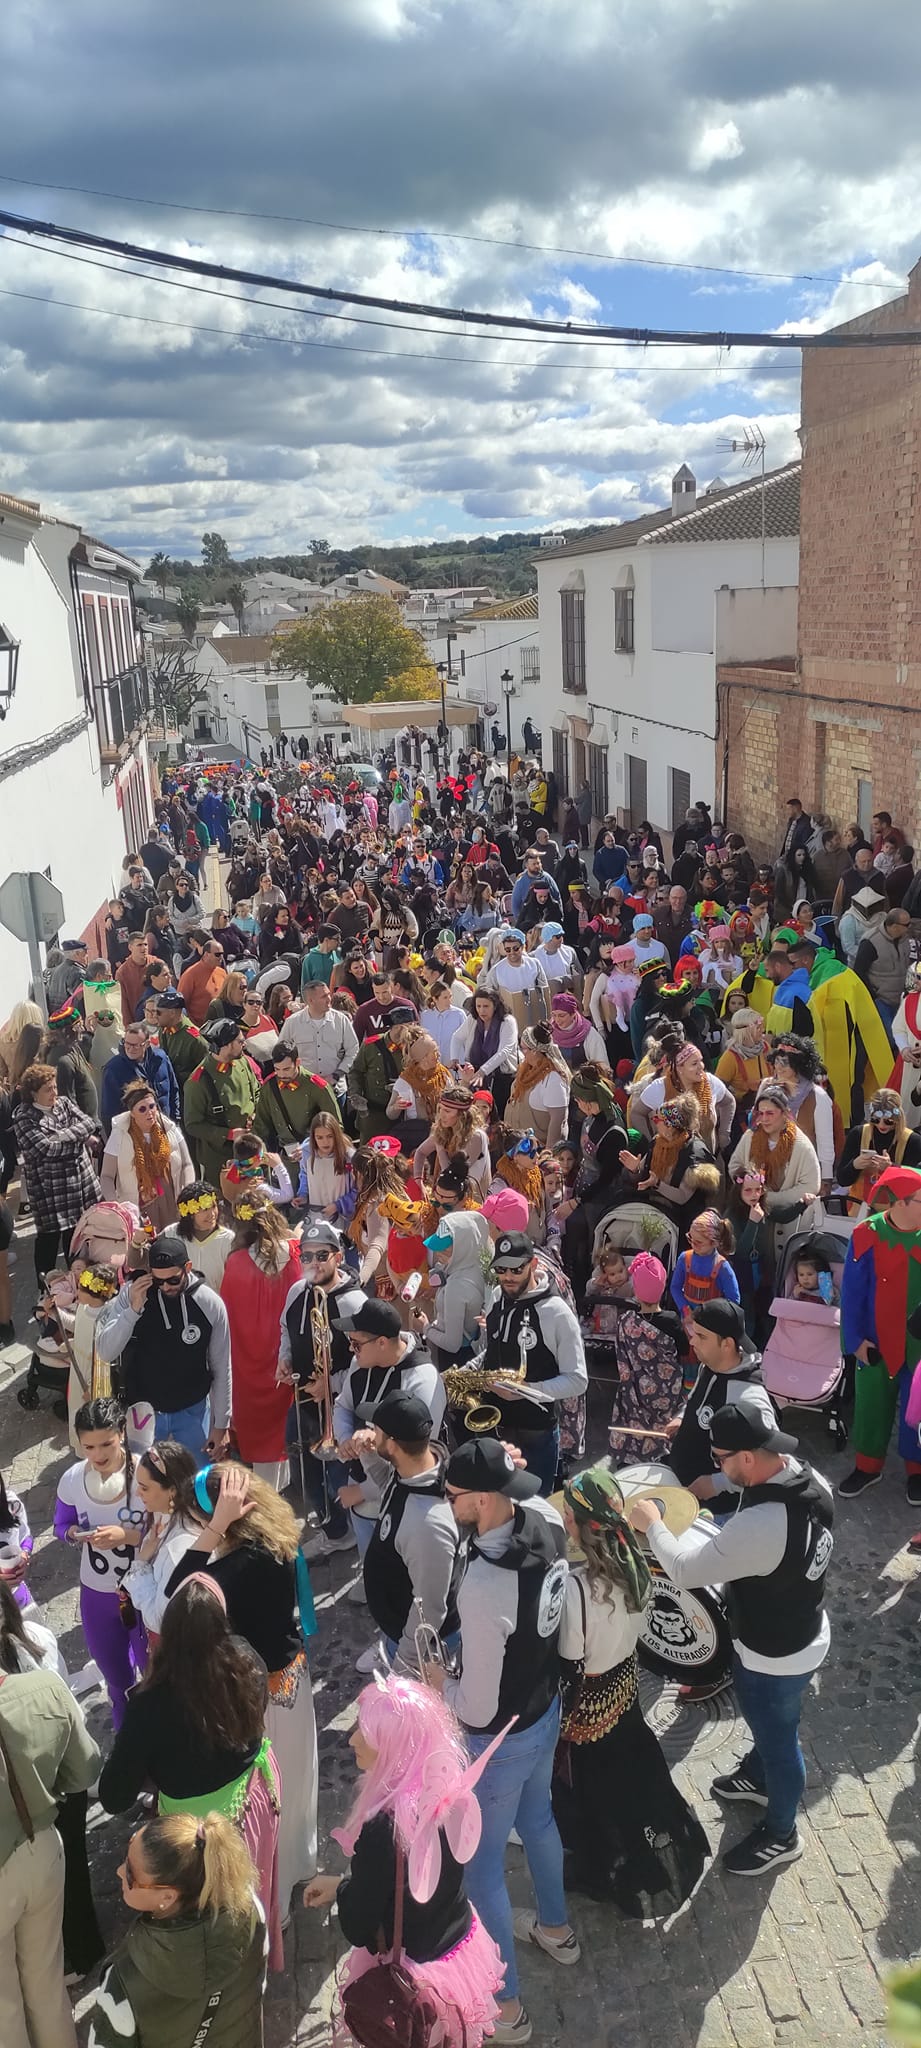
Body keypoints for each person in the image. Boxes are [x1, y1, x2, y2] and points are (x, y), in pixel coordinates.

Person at [631, 1402, 833, 1876]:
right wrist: (719, 1484)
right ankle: (758, 1777)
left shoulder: (760, 1526)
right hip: (803, 1626)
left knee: (780, 1743)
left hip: (773, 1654)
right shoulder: (811, 1478)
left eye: (721, 1458)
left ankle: (782, 1835)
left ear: (747, 1457)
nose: (718, 1465)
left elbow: (685, 1570)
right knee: (772, 1730)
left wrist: (653, 1524)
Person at [425, 1438, 578, 2043]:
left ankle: (507, 2008)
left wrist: (440, 1683)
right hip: (545, 1708)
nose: (447, 1502)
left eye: (453, 1495)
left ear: (484, 1500)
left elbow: (478, 1707)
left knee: (483, 1868)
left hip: (500, 1739)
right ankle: (557, 1929)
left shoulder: (486, 1585)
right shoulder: (542, 1518)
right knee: (539, 1820)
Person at [305, 1675, 503, 2048]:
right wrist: (340, 1884)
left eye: (366, 1733)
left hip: (414, 1976)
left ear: (394, 1750)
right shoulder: (443, 1789)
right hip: (456, 1945)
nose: (352, 1740)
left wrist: (345, 1892)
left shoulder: (384, 1828)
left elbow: (359, 1925)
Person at [98, 1574, 283, 1970]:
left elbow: (114, 1796)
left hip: (193, 1838)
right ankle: (254, 1965)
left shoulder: (149, 1704)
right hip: (252, 1805)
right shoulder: (247, 1659)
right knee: (250, 1896)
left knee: (207, 1931)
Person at [552, 1467, 709, 1909]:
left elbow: (571, 1663)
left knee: (595, 1789)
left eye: (567, 1515)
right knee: (634, 1772)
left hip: (591, 1703)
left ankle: (607, 1864)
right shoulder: (637, 1562)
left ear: (577, 1523)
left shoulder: (575, 1589)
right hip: (625, 1686)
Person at [167, 1464, 318, 1915]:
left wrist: (214, 1528)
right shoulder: (277, 1537)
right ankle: (300, 1866)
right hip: (293, 1678)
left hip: (259, 1696)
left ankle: (276, 1900)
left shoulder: (233, 1567)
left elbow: (179, 1596)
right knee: (298, 1782)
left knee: (269, 1796)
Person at [87, 1810, 267, 2047]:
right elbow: (257, 1988)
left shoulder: (123, 1981)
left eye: (131, 1873)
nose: (119, 1871)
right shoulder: (250, 1912)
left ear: (168, 1896)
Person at [0, 1660, 101, 2048]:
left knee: (5, 2009)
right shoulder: (45, 1688)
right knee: (46, 1983)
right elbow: (85, 1772)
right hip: (40, 1847)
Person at [349, 1389, 463, 1674]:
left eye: (377, 1430)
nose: (370, 1432)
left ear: (393, 1444)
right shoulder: (415, 1467)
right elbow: (389, 1486)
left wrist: (405, 1664)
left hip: (424, 1649)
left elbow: (430, 1609)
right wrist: (369, 1454)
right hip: (397, 1626)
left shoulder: (428, 1524)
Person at [95, 1230, 232, 1457]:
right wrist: (133, 1311)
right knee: (144, 1478)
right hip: (144, 1414)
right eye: (158, 1281)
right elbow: (106, 1352)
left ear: (187, 1268)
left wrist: (221, 1425)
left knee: (196, 1476)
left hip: (193, 1411)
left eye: (173, 1280)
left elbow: (221, 1365)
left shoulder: (209, 1302)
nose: (166, 1287)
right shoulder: (133, 1293)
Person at [470, 1231, 588, 1494]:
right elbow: (493, 1349)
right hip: (494, 1428)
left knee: (534, 1507)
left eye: (516, 1269)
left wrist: (527, 1390)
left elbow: (578, 1380)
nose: (508, 1276)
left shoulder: (557, 1313)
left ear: (533, 1264)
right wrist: (471, 1371)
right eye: (501, 1269)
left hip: (535, 1434)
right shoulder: (497, 1296)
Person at [53, 1396, 145, 1728]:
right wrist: (73, 1534)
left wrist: (127, 1536)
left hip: (144, 1592)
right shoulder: (72, 1478)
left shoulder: (146, 1472)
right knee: (117, 1680)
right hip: (96, 1594)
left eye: (106, 1444)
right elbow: (60, 1525)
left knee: (156, 1674)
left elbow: (168, 1530)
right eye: (89, 1447)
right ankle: (126, 1739)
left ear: (122, 1433)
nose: (98, 1455)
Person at [333, 1297, 447, 1552]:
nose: (351, 1349)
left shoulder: (422, 1380)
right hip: (362, 1491)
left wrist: (362, 1491)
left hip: (402, 1506)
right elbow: (343, 1405)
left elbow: (417, 1459)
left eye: (356, 1343)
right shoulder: (361, 1362)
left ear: (382, 1342)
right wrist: (345, 1438)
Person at [839, 1163, 921, 1500]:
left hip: (918, 1347)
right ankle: (868, 1466)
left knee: (918, 1409)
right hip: (875, 1343)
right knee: (871, 1406)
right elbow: (852, 1293)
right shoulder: (867, 1234)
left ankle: (917, 1470)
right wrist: (855, 1340)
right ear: (901, 1202)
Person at [221, 1192, 300, 1487]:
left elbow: (228, 1317)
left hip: (248, 1362)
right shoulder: (296, 1253)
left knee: (259, 1426)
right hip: (287, 1356)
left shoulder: (237, 1262)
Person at [13, 1063, 101, 1281]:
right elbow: (46, 1149)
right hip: (51, 1191)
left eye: (54, 1087)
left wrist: (62, 1136)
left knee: (77, 1237)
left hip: (80, 1184)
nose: (54, 1093)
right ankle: (46, 1288)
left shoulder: (64, 1103)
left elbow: (89, 1123)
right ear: (33, 1094)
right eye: (48, 1089)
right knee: (48, 1241)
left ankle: (79, 1286)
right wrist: (78, 1140)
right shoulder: (24, 1118)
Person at [122, 1441, 208, 1641]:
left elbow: (160, 1619)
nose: (137, 1493)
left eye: (144, 1488)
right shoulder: (162, 1515)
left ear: (172, 1491)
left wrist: (139, 1567)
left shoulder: (180, 1549)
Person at [100, 1078, 193, 1229]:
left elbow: (187, 1164)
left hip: (171, 1199)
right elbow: (106, 1176)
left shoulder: (169, 1128)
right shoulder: (120, 1135)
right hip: (137, 1204)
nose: (149, 1112)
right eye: (142, 1109)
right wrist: (116, 1206)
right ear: (132, 1113)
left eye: (152, 1106)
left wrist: (187, 1191)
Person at [183, 1020, 262, 1186]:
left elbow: (256, 1091)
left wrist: (255, 1114)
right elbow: (193, 1125)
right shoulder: (198, 1081)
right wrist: (229, 1134)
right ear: (227, 1045)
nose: (244, 1044)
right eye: (240, 1041)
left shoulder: (243, 1062)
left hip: (252, 1149)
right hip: (221, 1157)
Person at [412, 1208, 490, 1370]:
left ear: (463, 1248)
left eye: (445, 1249)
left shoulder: (456, 1287)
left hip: (456, 1360)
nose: (438, 1252)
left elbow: (452, 1344)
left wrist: (425, 1327)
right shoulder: (479, 1265)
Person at [837, 1088, 921, 1212]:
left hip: (895, 1213)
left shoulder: (912, 1141)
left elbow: (915, 1185)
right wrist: (855, 1165)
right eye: (876, 1119)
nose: (881, 1125)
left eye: (888, 1121)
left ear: (898, 1118)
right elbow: (842, 1179)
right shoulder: (858, 1134)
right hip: (859, 1210)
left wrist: (892, 1169)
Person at [504, 1024, 570, 1149]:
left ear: (534, 1050)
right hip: (517, 1150)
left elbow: (558, 1120)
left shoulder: (553, 1078)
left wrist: (548, 1154)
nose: (522, 1053)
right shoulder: (525, 1070)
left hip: (537, 1152)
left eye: (524, 1049)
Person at [281, 979, 360, 1083]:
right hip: (304, 1086)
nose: (329, 999)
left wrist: (337, 1074)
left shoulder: (340, 1020)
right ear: (310, 1001)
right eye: (324, 996)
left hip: (335, 1086)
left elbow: (353, 1050)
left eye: (329, 994)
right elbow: (281, 1052)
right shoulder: (292, 1022)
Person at [177, 1177, 236, 1289]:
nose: (212, 1214)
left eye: (213, 1207)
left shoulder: (228, 1239)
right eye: (205, 1210)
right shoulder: (173, 1235)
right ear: (190, 1213)